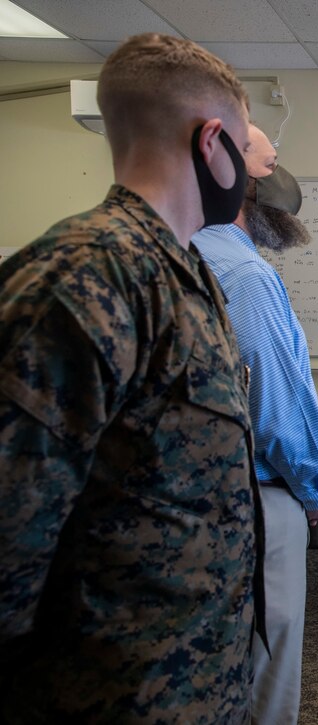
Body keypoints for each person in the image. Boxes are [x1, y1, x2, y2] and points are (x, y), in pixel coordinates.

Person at [0, 34, 261, 721]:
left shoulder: (189, 274)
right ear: (213, 142)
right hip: (111, 689)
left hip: (195, 675)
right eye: (243, 148)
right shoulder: (84, 275)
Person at [193, 124, 318, 723]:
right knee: (269, 648)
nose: (282, 172)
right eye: (270, 158)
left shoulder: (180, 251)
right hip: (260, 493)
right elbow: (275, 402)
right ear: (239, 176)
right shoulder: (247, 275)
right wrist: (316, 487)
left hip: (195, 497)